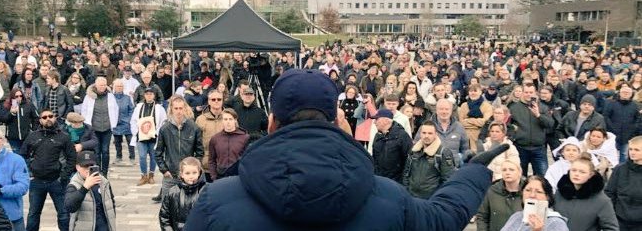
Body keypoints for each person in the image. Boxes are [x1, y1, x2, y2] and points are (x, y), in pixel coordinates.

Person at [185, 68, 510, 231]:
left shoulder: (217, 202)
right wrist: (474, 171)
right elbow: (444, 218)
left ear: (272, 123)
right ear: (338, 120)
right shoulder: (390, 198)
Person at [20, 108, 77, 231]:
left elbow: (72, 157)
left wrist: (64, 176)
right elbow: (22, 154)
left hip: (57, 181)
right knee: (33, 214)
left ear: (55, 118)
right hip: (37, 181)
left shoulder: (64, 137)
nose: (48, 119)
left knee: (63, 214)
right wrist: (30, 170)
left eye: (50, 116)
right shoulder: (33, 136)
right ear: (40, 120)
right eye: (44, 117)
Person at [154, 95, 203, 203]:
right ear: (171, 109)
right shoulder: (165, 128)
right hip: (170, 175)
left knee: (188, 205)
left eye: (181, 108)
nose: (178, 111)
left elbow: (199, 151)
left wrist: (194, 169)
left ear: (185, 108)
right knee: (167, 206)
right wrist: (164, 170)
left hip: (188, 175)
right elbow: (158, 152)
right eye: (176, 108)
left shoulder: (193, 127)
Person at [554, 153, 619, 231]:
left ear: (591, 175)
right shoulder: (559, 193)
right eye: (574, 170)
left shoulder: (602, 201)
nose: (576, 174)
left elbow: (611, 228)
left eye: (582, 172)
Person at [508, 83, 554, 177]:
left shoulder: (543, 107)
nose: (528, 94)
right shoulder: (514, 108)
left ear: (535, 93)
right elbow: (508, 126)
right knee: (519, 177)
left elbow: (550, 124)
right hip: (520, 148)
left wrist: (538, 115)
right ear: (522, 93)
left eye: (531, 92)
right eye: (526, 92)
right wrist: (514, 136)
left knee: (542, 178)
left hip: (539, 149)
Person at [65, 150, 117, 231]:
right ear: (77, 167)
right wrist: (85, 187)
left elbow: (111, 204)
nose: (87, 170)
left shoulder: (104, 182)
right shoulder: (74, 184)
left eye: (91, 166)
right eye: (85, 166)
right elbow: (70, 207)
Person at [404, 120, 457, 198]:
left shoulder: (443, 153)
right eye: (424, 133)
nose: (426, 136)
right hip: (412, 197)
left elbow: (447, 180)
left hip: (431, 200)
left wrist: (438, 198)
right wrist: (406, 191)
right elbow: (406, 173)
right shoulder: (414, 151)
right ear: (420, 134)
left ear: (436, 134)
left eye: (430, 133)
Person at [80, 77, 119, 176]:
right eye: (100, 85)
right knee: (96, 151)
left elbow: (115, 109)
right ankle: (97, 172)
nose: (102, 87)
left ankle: (105, 172)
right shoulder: (89, 96)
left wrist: (113, 123)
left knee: (105, 150)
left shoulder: (110, 96)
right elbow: (84, 110)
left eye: (104, 85)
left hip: (107, 127)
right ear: (96, 85)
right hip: (94, 128)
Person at [500, 175, 569, 231]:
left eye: (538, 192)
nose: (532, 195)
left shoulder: (556, 223)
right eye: (528, 190)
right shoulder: (516, 216)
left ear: (547, 197)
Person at [130, 87, 167, 186]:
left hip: (153, 136)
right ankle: (143, 176)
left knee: (153, 156)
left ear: (154, 96)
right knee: (142, 156)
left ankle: (151, 175)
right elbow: (133, 120)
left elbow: (164, 122)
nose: (149, 96)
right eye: (147, 94)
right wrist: (135, 132)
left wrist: (157, 132)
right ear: (144, 95)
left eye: (151, 94)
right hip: (141, 136)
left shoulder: (159, 108)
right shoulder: (139, 107)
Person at [159, 157, 206, 231]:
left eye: (194, 172)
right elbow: (164, 216)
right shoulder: (173, 192)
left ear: (199, 173)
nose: (191, 176)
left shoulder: (206, 191)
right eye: (187, 173)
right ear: (182, 174)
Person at [605, 136, 642, 231]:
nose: (632, 152)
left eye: (637, 150)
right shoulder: (620, 169)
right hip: (619, 220)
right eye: (630, 149)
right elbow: (609, 193)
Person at [475, 160, 524, 231]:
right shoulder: (491, 191)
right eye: (504, 170)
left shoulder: (528, 191)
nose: (507, 172)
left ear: (519, 172)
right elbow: (482, 216)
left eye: (511, 170)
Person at [371, 108, 412, 183]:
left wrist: (404, 181)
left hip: (396, 182)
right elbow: (374, 159)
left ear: (386, 120)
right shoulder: (377, 136)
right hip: (379, 180)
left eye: (377, 119)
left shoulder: (402, 136)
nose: (374, 122)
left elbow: (409, 161)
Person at [208, 108, 249, 180]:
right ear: (222, 121)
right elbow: (211, 160)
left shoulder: (245, 137)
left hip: (238, 176)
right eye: (225, 119)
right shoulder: (215, 138)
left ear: (235, 120)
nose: (228, 122)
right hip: (221, 177)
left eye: (230, 119)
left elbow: (248, 159)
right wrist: (214, 176)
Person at [604, 86, 642, 163]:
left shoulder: (636, 106)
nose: (625, 94)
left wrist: (633, 129)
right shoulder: (612, 104)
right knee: (609, 156)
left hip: (628, 136)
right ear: (620, 93)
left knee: (624, 156)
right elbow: (606, 117)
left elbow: (638, 120)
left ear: (631, 94)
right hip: (612, 135)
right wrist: (611, 128)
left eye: (627, 92)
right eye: (623, 92)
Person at [195, 90, 224, 182]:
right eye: (213, 99)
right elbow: (196, 142)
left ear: (222, 101)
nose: (216, 101)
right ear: (209, 101)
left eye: (219, 99)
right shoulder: (201, 119)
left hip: (225, 165)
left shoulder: (229, 117)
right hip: (206, 165)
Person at [0, 88, 40, 152]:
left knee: (26, 155)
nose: (19, 98)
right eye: (16, 96)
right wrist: (11, 113)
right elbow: (3, 119)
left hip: (26, 136)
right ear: (12, 97)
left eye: (20, 96)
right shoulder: (6, 105)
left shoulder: (28, 104)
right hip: (13, 137)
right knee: (17, 155)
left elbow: (36, 118)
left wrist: (34, 130)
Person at [459, 84, 494, 151]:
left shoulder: (487, 106)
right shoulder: (464, 105)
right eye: (471, 91)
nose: (473, 93)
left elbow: (485, 122)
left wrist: (468, 120)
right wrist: (477, 122)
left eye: (475, 91)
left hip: (480, 136)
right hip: (465, 137)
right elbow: (461, 122)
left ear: (480, 92)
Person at [111, 79, 134, 163]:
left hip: (126, 122)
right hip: (115, 123)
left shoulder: (127, 98)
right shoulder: (111, 97)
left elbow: (131, 109)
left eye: (121, 86)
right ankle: (118, 156)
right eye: (117, 86)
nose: (119, 88)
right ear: (114, 87)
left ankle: (132, 156)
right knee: (117, 141)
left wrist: (129, 119)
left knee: (130, 140)